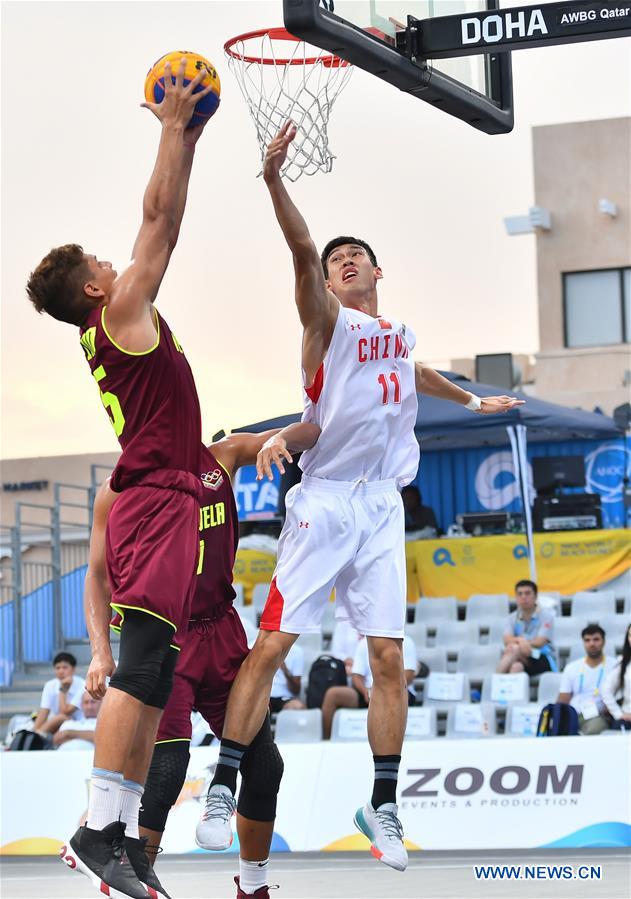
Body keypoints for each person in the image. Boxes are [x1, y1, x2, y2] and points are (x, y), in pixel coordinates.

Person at [199, 121, 523, 873]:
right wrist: (275, 181)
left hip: (381, 508)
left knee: (386, 661)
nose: (344, 262)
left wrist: (469, 399)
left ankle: (381, 803)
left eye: (357, 256)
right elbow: (300, 253)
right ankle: (221, 781)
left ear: (379, 271)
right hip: (324, 503)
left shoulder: (394, 332)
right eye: (336, 260)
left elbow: (414, 368)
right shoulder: (326, 322)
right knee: (276, 642)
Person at [28, 61, 216, 899]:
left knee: (154, 669)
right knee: (140, 666)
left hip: (165, 499)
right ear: (99, 288)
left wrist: (189, 139)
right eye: (108, 260)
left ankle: (127, 841)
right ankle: (96, 829)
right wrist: (172, 129)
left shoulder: (110, 322)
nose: (122, 257)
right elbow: (159, 220)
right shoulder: (120, 312)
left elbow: (156, 219)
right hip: (150, 502)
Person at [85, 421, 320, 899]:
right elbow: (96, 577)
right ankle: (132, 880)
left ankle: (252, 886)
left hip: (221, 628)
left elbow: (313, 431)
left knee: (265, 763)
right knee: (166, 768)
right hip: (162, 634)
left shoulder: (223, 456)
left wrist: (280, 439)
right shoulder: (118, 488)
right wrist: (99, 652)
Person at [322, 636, 418, 739]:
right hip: (368, 692)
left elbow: (409, 675)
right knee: (333, 694)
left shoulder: (406, 642)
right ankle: (327, 741)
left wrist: (383, 690)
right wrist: (366, 691)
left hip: (397, 690)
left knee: (393, 694)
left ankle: (391, 741)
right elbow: (356, 676)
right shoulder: (364, 643)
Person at [557, 625, 617, 734]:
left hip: (599, 715)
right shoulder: (572, 667)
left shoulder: (614, 666)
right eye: (587, 640)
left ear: (604, 642)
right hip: (574, 714)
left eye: (596, 639)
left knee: (594, 728)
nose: (592, 644)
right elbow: (563, 698)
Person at [497, 580, 557, 676]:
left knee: (514, 648)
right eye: (519, 594)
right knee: (516, 667)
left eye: (527, 593)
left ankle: (495, 680)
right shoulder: (511, 617)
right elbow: (506, 640)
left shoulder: (547, 617)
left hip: (541, 657)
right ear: (516, 597)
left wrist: (521, 643)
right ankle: (507, 689)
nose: (523, 597)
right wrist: (521, 641)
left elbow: (539, 642)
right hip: (520, 657)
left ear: (536, 596)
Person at [33, 652, 85, 737]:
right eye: (57, 668)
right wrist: (35, 729)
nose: (61, 671)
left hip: (78, 724)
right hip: (56, 723)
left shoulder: (82, 685)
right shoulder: (50, 685)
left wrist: (63, 689)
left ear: (73, 669)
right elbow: (44, 711)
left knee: (61, 717)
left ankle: (36, 738)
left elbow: (65, 712)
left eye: (65, 667)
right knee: (41, 719)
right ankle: (32, 738)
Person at [601, 623, 631, 731]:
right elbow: (606, 690)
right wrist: (618, 714)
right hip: (628, 718)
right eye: (630, 635)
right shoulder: (623, 663)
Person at [269, 643, 306, 713]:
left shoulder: (297, 651)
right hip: (261, 695)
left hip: (283, 697)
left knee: (299, 707)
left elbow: (296, 690)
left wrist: (285, 670)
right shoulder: (253, 646)